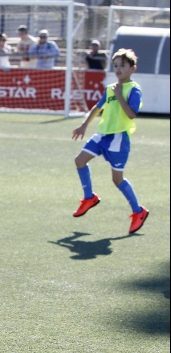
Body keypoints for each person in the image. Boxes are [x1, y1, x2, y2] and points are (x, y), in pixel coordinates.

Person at [71, 48, 148, 235]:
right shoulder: (110, 89)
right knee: (79, 161)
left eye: (123, 65)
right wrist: (83, 125)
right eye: (115, 66)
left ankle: (138, 211)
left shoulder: (134, 89)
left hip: (119, 139)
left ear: (133, 68)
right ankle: (89, 198)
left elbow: (131, 114)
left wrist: (120, 94)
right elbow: (97, 108)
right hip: (102, 135)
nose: (118, 69)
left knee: (117, 179)